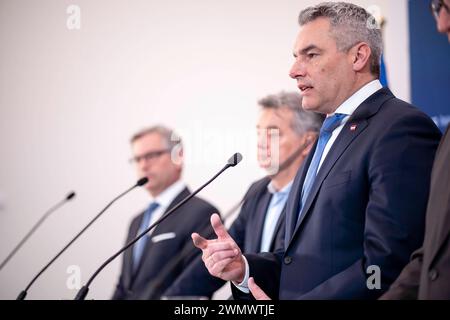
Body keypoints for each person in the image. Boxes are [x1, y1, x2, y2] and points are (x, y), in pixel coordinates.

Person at [192, 2, 442, 300]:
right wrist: (243, 269)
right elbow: (299, 261)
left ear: (358, 56)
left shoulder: (399, 128)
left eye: (311, 55)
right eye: (296, 57)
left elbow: (385, 266)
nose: (294, 71)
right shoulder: (329, 133)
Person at [163, 92, 323, 298]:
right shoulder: (258, 190)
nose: (261, 143)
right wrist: (172, 296)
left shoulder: (316, 194)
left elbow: (294, 265)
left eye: (273, 134)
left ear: (307, 142)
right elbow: (229, 254)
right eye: (259, 133)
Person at [380, 0, 450, 300]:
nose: (441, 24)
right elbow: (432, 253)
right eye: (437, 8)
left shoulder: (405, 127)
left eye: (445, 7)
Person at [112, 125, 218, 300]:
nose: (143, 165)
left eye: (151, 156)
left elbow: (197, 283)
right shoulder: (136, 222)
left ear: (178, 156)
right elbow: (124, 286)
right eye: (137, 159)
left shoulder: (202, 213)